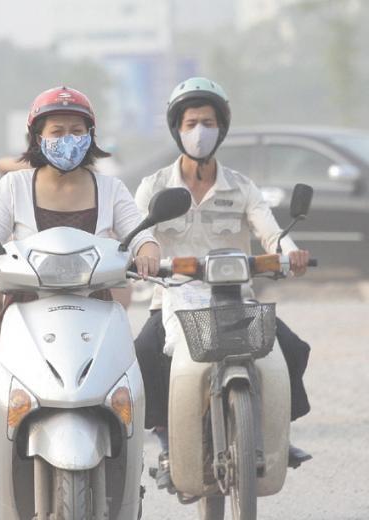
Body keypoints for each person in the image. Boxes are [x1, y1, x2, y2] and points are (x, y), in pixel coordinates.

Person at [133, 77, 313, 490]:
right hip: (174, 301)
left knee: (291, 349)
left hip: (236, 299)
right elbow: (132, 232)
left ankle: (275, 437)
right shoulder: (154, 188)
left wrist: (292, 252)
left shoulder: (242, 187)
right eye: (192, 122)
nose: (200, 131)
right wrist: (139, 256)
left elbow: (272, 234)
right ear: (177, 129)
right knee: (142, 356)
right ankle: (165, 440)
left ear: (222, 128)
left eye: (209, 122)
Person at [0, 85, 161, 351]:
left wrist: (147, 253)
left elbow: (142, 235)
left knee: (127, 380)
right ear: (37, 138)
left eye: (77, 131)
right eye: (57, 132)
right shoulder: (14, 185)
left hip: (97, 311)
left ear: (90, 136)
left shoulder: (111, 188)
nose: (68, 139)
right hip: (28, 311)